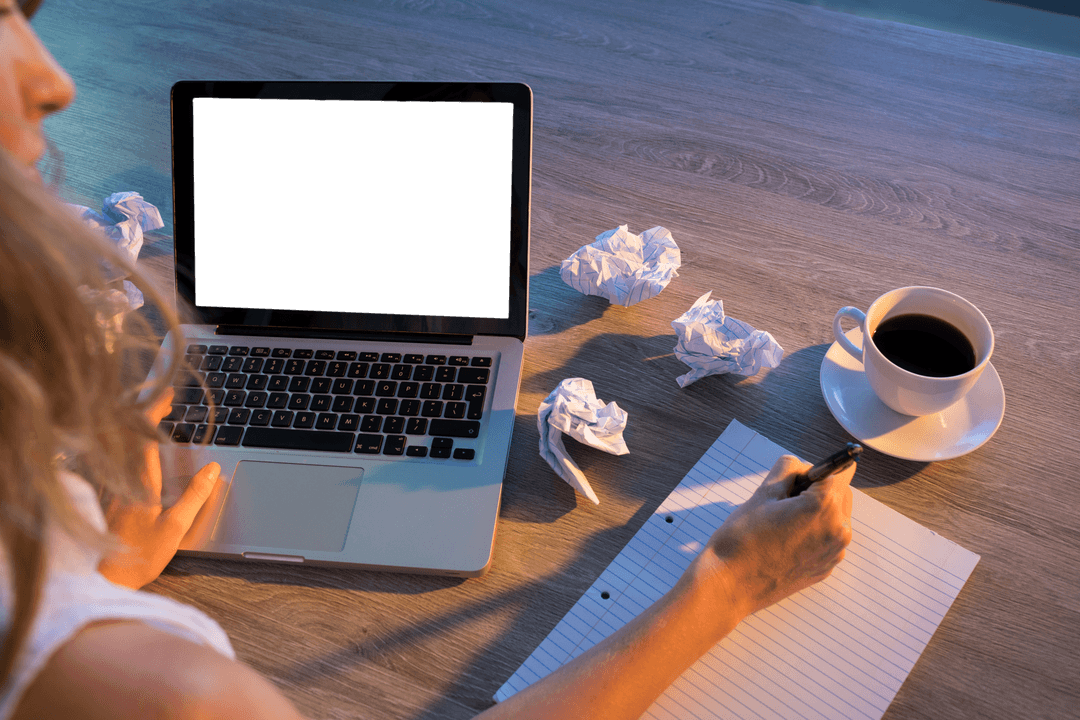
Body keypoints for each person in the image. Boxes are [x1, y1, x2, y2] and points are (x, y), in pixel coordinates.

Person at [0, 1, 854, 718]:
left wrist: (95, 582)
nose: (56, 76)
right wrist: (731, 583)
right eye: (2, 14)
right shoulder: (163, 691)